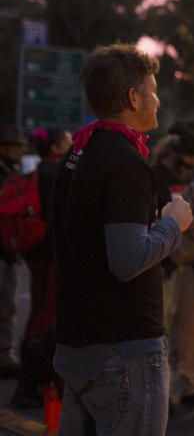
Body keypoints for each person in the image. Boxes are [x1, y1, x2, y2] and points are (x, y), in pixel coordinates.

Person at [52, 43, 194, 435]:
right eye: (152, 89)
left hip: (78, 342)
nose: (158, 99)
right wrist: (173, 223)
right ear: (133, 97)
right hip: (122, 349)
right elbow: (127, 259)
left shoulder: (77, 152)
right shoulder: (125, 163)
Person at [152, 121, 194, 410]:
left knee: (193, 325)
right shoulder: (155, 176)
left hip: (192, 264)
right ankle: (159, 392)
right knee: (161, 329)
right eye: (191, 156)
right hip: (163, 263)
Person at [10, 127, 70, 408]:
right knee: (43, 316)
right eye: (68, 140)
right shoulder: (54, 173)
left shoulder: (42, 172)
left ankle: (33, 379)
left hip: (38, 253)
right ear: (57, 147)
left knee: (40, 313)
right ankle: (30, 382)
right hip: (48, 254)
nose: (72, 144)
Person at [0, 124, 28, 378]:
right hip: (4, 249)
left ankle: (4, 354)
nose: (20, 152)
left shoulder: (13, 172)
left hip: (9, 251)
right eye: (15, 147)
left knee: (8, 305)